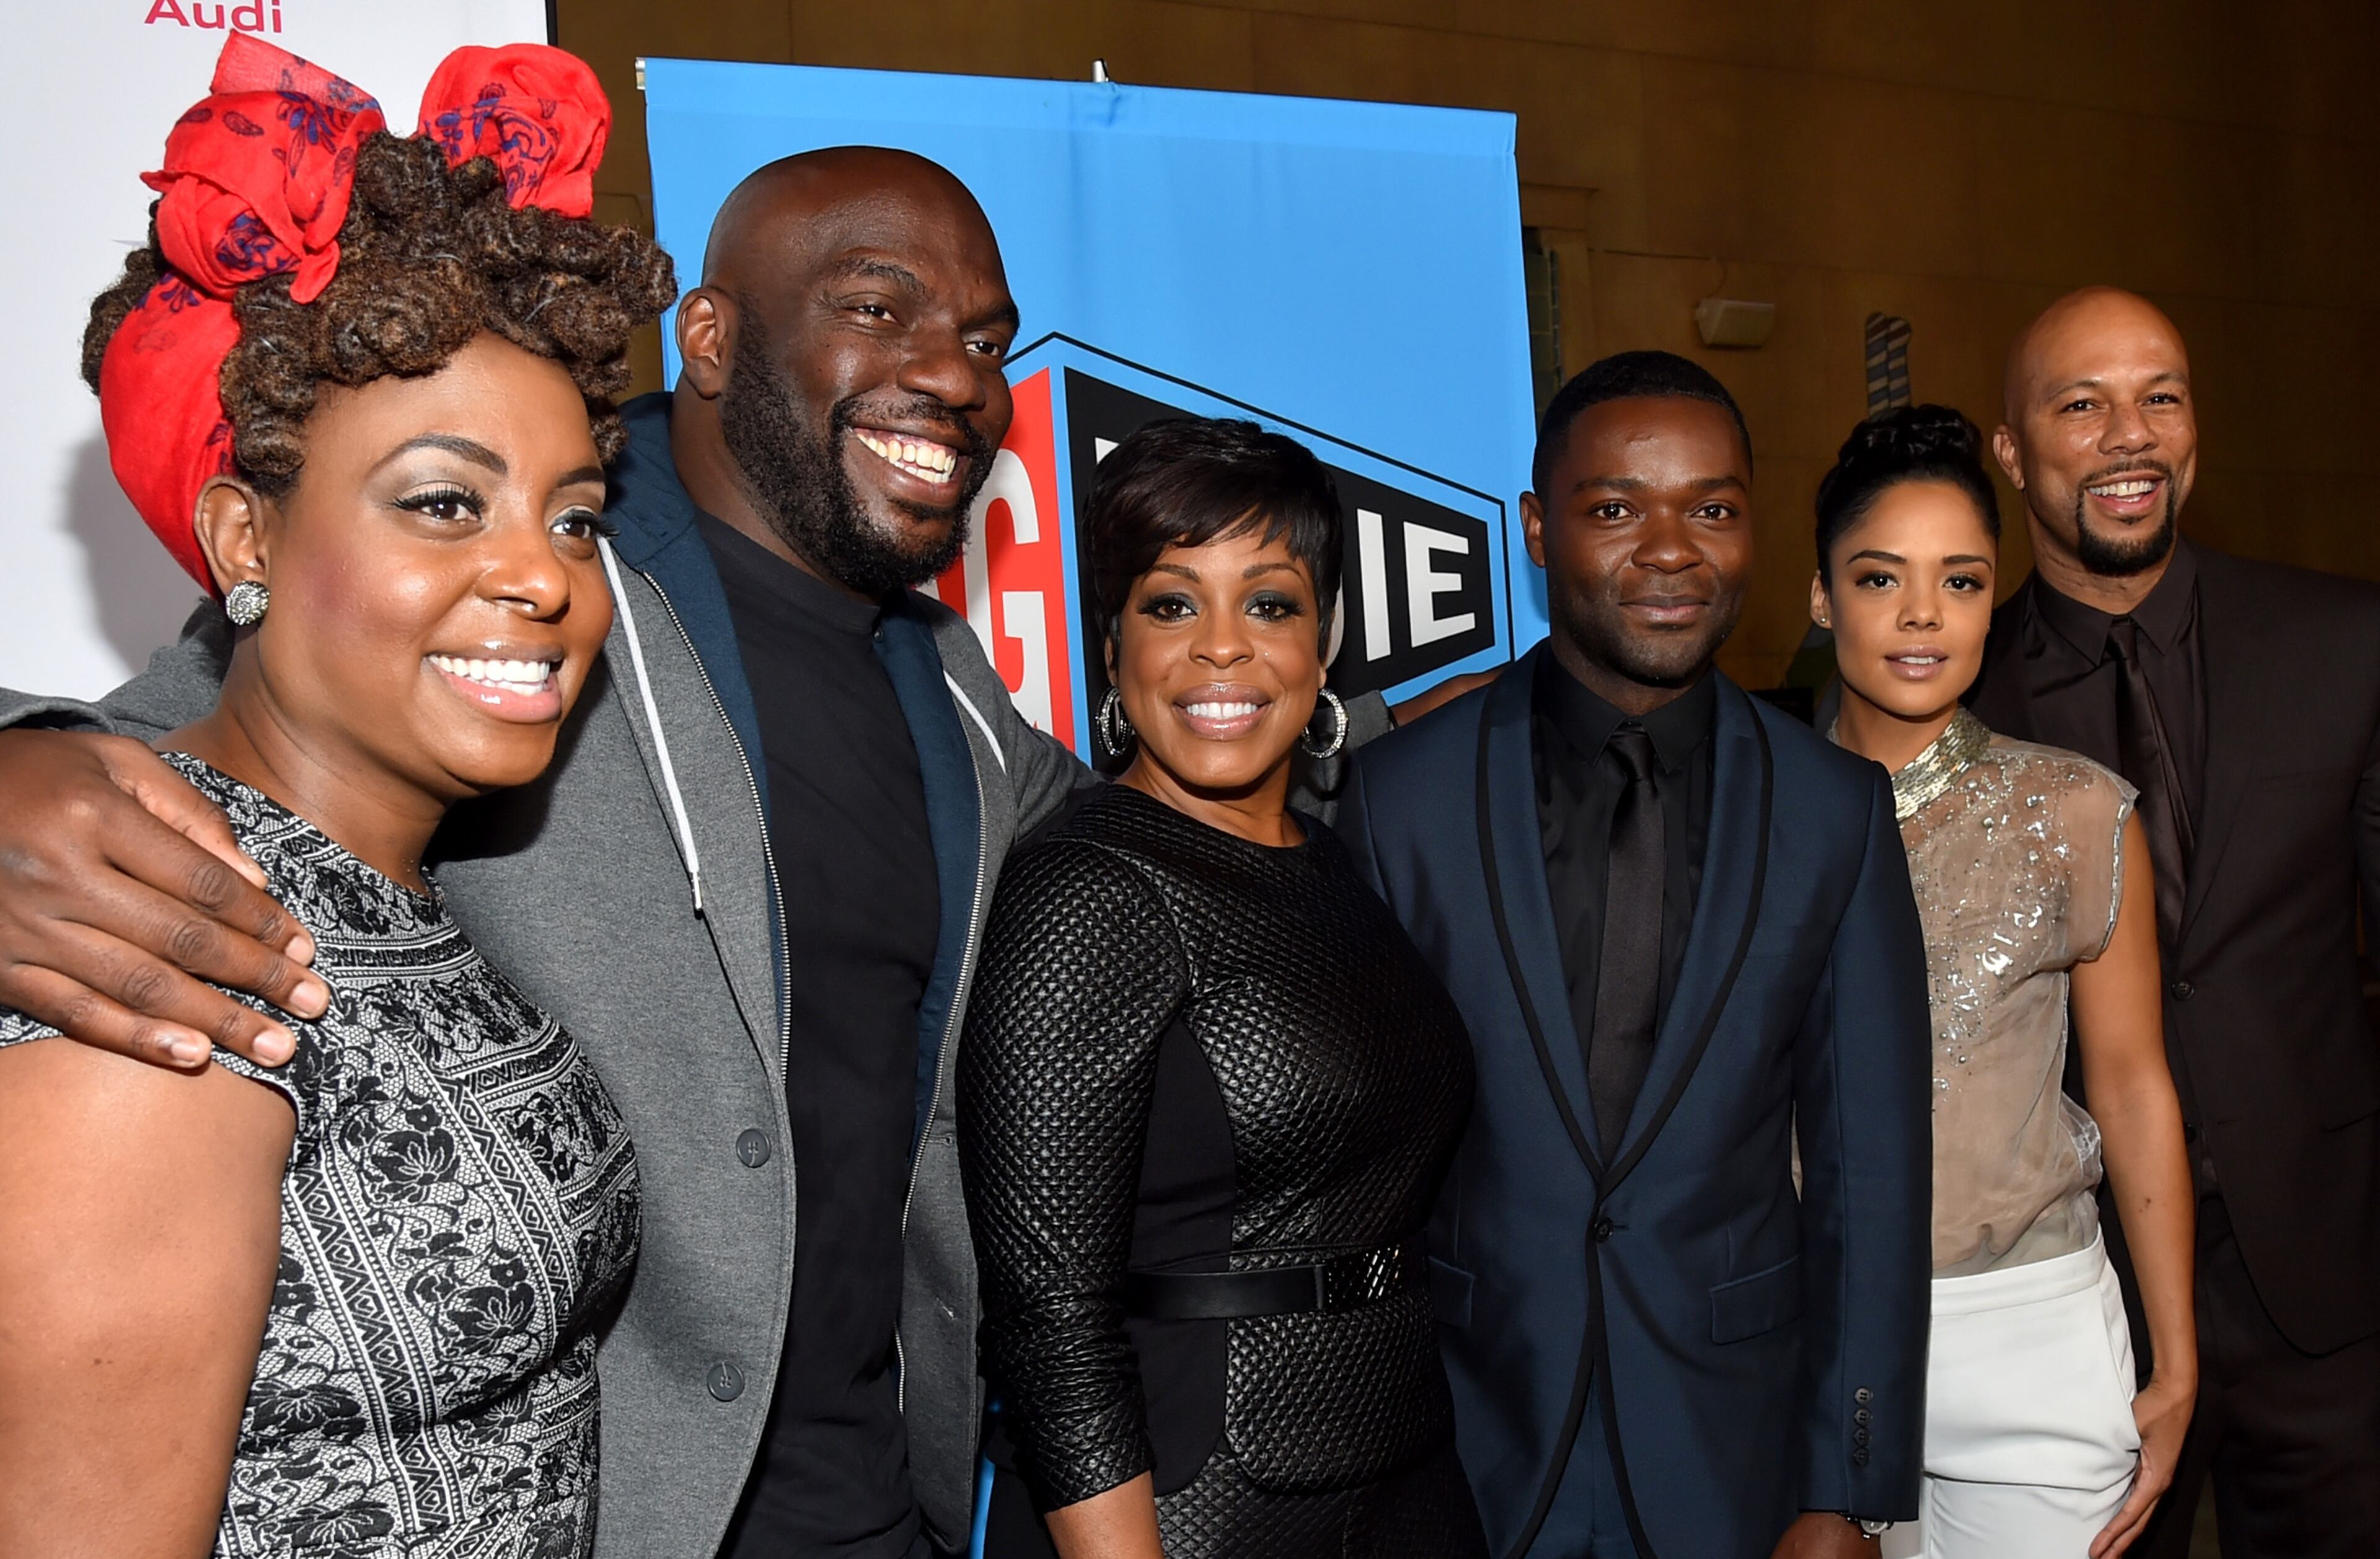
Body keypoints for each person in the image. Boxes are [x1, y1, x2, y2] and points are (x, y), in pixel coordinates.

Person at [0, 140, 1434, 1555]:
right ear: (708, 334)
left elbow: (1175, 782)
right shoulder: (541, 589)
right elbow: (212, 712)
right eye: (880, 308)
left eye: (985, 338)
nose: (952, 371)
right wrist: (18, 761)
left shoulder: (951, 689)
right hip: (635, 1507)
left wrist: (1452, 719)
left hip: (888, 1496)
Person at [0, 38, 673, 1557]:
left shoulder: (393, 883)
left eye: (573, 518)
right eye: (446, 501)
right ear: (246, 538)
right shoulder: (153, 939)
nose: (541, 577)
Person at [1341, 351, 1933, 1559]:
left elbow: (1873, 1174)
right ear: (1536, 531)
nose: (1671, 549)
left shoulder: (1837, 812)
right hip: (1464, 1453)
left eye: (1711, 508)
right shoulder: (1398, 801)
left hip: (1739, 1459)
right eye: (1616, 509)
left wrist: (1847, 1486)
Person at [960, 419, 1487, 1559]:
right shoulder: (1086, 890)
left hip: (1404, 1471)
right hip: (1196, 1505)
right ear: (1114, 648)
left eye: (1270, 603)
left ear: (1324, 641)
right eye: (1171, 603)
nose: (1221, 651)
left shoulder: (1333, 859)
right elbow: (1052, 1319)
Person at [1969, 286, 2380, 1558]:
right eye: (2081, 406)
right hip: (2073, 1298)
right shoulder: (1952, 696)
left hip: (2330, 1281)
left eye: (2161, 397)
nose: (2129, 434)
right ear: (2013, 450)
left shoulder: (2345, 641)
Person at [1810, 404, 2196, 1558]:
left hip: (2030, 1335)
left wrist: (2176, 1362)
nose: (1924, 616)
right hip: (1802, 1340)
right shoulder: (1746, 813)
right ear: (1822, 596)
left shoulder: (2077, 811)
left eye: (1964, 582)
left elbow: (2131, 1090)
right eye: (1881, 579)